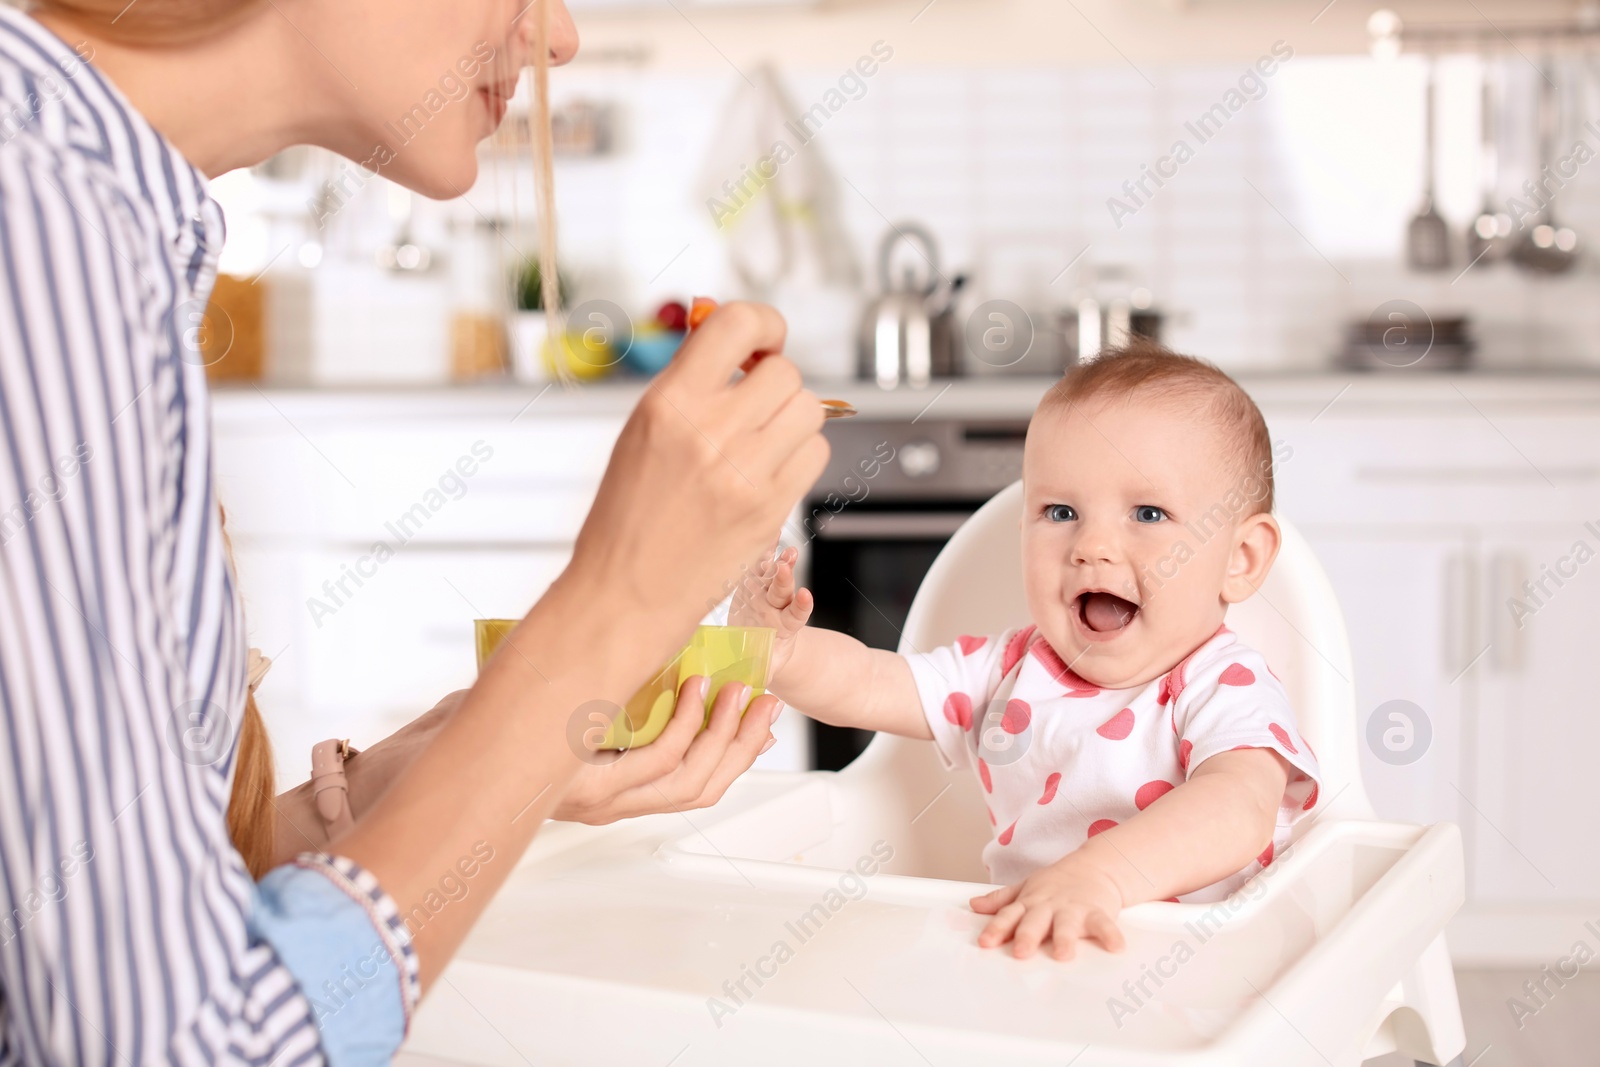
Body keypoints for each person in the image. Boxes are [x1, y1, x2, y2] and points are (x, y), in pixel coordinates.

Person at [0, 0, 828, 1062]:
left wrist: (420, 785)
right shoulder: (46, 227)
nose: (556, 36)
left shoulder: (85, 205)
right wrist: (602, 620)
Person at [733, 343, 1321, 961]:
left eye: (1148, 513)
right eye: (1060, 511)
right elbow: (873, 684)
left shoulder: (1222, 684)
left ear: (1241, 558)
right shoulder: (1008, 672)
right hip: (1028, 957)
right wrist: (780, 655)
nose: (1091, 545)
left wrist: (1102, 877)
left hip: (1195, 969)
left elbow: (1238, 806)